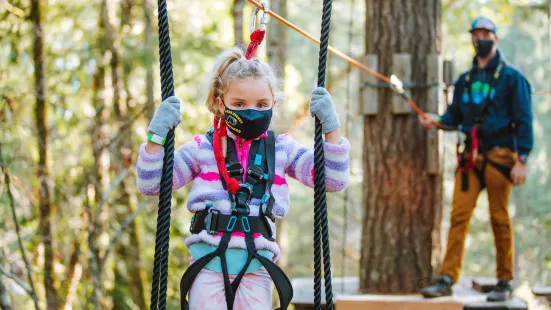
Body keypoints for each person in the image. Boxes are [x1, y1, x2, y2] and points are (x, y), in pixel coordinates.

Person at [136, 47, 350, 309]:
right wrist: (156, 136)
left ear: (274, 104)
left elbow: (333, 180)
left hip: (257, 267)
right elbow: (151, 184)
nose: (251, 112)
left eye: (261, 105)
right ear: (219, 103)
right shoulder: (203, 148)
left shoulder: (281, 150)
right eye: (239, 104)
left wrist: (331, 128)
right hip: (208, 265)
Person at [419, 16, 533, 302]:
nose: (480, 38)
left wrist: (522, 159)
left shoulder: (512, 79)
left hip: (500, 156)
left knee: (499, 217)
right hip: (470, 159)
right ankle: (446, 278)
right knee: (459, 215)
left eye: (485, 33)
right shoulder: (465, 80)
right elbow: (454, 116)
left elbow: (523, 120)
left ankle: (505, 281)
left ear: (494, 37)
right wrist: (437, 121)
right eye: (476, 33)